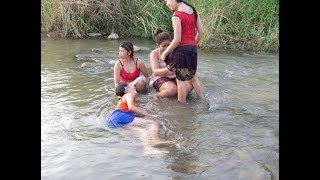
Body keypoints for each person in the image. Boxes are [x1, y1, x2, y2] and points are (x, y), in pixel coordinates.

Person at [106, 82, 173, 154]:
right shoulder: (128, 95)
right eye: (131, 85)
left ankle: (148, 149)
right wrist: (149, 115)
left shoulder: (125, 99)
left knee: (141, 131)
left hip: (113, 121)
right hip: (119, 116)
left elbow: (128, 109)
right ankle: (156, 141)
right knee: (153, 122)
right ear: (126, 89)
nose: (134, 86)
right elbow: (131, 107)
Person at [160, 0, 204, 103]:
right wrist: (193, 44)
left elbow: (177, 40)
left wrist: (165, 52)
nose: (166, 4)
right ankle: (203, 101)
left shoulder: (177, 15)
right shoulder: (193, 10)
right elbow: (201, 32)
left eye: (167, 1)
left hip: (181, 51)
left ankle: (181, 109)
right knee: (193, 78)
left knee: (180, 82)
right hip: (192, 49)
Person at [150, 27, 193, 98]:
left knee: (190, 85)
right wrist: (168, 68)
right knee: (171, 90)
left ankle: (176, 99)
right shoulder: (154, 53)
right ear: (158, 45)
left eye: (168, 45)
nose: (167, 48)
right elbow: (155, 72)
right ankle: (154, 96)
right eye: (164, 46)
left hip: (175, 76)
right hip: (161, 78)